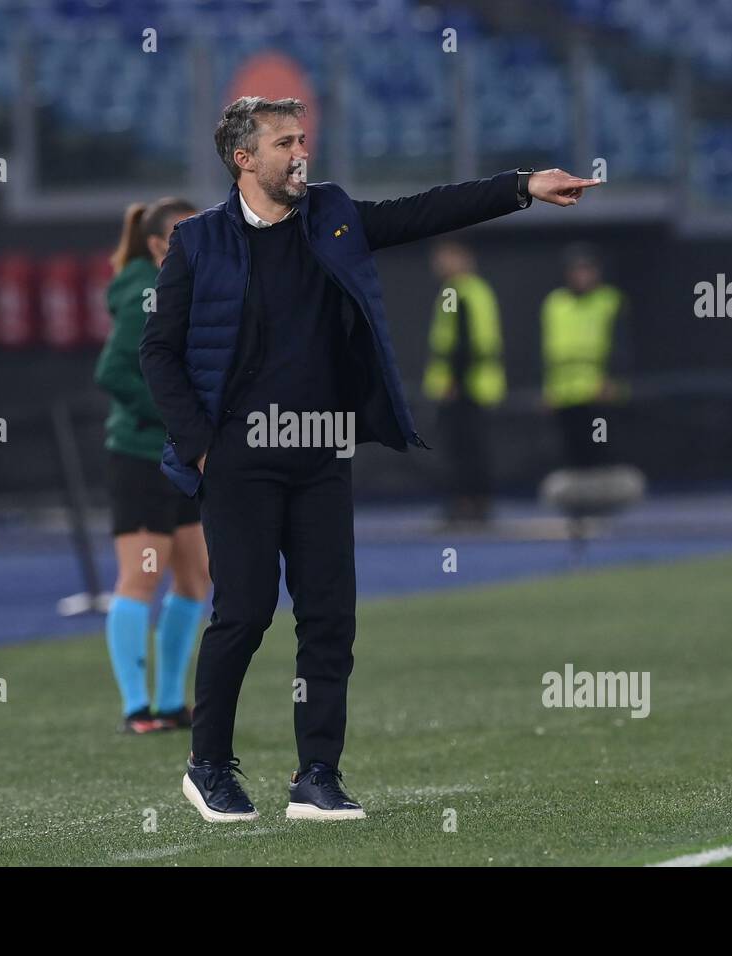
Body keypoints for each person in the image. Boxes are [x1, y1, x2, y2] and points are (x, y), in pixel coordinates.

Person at [140, 96, 597, 823]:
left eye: (302, 140)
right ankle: (209, 766)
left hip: (321, 448)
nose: (300, 154)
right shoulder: (197, 243)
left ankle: (317, 775)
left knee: (329, 619)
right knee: (245, 614)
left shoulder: (334, 215)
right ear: (244, 159)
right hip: (240, 458)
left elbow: (425, 211)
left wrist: (522, 186)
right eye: (284, 143)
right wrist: (200, 446)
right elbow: (157, 351)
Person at [95, 197, 211, 734]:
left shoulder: (179, 285)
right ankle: (136, 708)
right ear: (158, 244)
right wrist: (172, 415)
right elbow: (114, 372)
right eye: (186, 233)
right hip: (142, 457)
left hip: (176, 457)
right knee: (141, 578)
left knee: (195, 576)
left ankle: (169, 702)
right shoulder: (144, 291)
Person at [421, 239, 506, 526]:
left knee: (465, 449)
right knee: (469, 447)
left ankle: (470, 505)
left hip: (465, 387)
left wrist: (455, 382)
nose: (439, 264)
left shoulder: (461, 292)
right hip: (474, 385)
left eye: (445, 257)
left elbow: (464, 343)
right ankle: (473, 504)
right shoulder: (473, 291)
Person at [540, 244, 629, 469]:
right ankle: (580, 497)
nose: (581, 276)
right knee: (572, 449)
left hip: (598, 391)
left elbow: (621, 344)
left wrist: (613, 380)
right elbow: (546, 348)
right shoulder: (555, 303)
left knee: (600, 446)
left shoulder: (609, 300)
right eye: (576, 270)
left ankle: (604, 493)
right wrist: (547, 388)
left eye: (586, 270)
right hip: (565, 392)